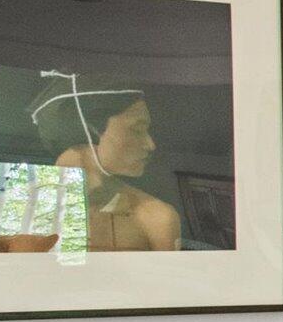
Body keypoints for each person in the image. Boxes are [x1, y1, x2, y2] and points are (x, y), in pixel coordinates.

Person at [28, 70, 183, 250]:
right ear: (87, 130)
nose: (150, 144)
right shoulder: (12, 209)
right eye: (137, 129)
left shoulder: (156, 218)